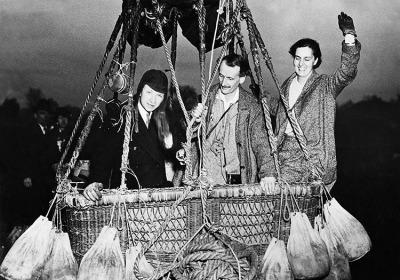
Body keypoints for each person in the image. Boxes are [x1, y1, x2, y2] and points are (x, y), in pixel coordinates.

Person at [274, 12, 361, 191]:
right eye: (297, 58)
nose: (301, 64)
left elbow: (347, 72)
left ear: (315, 60)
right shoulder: (285, 86)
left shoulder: (325, 85)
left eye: (307, 59)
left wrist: (349, 35)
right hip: (283, 155)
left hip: (311, 161)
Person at [84, 69, 178, 201]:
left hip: (158, 197)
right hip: (130, 197)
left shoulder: (163, 118)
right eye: (149, 92)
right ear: (140, 91)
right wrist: (95, 182)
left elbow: (176, 147)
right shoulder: (122, 116)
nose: (153, 100)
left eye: (159, 95)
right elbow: (103, 154)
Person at [188, 54, 276, 189]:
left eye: (230, 78)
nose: (223, 83)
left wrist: (268, 173)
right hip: (207, 181)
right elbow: (189, 136)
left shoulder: (252, 106)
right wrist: (195, 120)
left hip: (237, 181)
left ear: (241, 79)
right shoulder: (206, 98)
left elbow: (261, 143)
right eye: (221, 76)